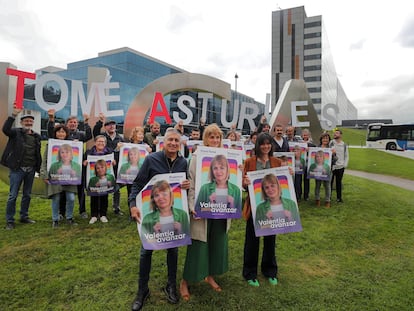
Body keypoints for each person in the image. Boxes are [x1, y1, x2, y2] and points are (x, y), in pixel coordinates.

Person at [129, 128, 190, 310]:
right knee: (146, 251)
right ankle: (142, 290)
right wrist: (133, 204)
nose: (173, 143)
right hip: (153, 214)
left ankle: (171, 285)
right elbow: (138, 184)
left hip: (173, 215)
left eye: (176, 141)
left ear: (180, 144)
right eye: (170, 140)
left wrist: (186, 184)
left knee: (173, 250)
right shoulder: (151, 159)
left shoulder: (183, 162)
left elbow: (183, 187)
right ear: (163, 141)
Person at [180, 124, 232, 302]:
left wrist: (240, 174)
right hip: (202, 208)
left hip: (221, 209)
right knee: (198, 245)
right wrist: (192, 205)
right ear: (205, 139)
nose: (215, 140)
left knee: (216, 242)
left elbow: (232, 181)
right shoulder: (197, 156)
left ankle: (209, 275)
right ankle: (185, 281)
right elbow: (192, 183)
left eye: (218, 137)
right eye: (212, 137)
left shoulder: (227, 157)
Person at [241, 132, 281, 287]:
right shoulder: (249, 162)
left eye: (268, 143)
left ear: (271, 145)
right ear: (257, 145)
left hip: (272, 208)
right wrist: (244, 183)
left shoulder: (276, 162)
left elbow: (281, 182)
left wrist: (288, 174)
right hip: (254, 207)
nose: (265, 146)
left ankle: (270, 270)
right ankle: (250, 273)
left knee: (270, 240)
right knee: (252, 241)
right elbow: (244, 185)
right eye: (262, 144)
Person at [1, 106, 41, 230]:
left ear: (33, 123)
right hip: (17, 169)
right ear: (21, 122)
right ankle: (10, 220)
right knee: (13, 195)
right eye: (26, 121)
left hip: (30, 170)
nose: (28, 123)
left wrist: (38, 168)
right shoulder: (15, 133)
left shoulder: (36, 136)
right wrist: (13, 115)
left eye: (30, 121)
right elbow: (5, 129)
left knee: (27, 194)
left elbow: (37, 153)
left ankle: (24, 216)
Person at [47, 109, 92, 219]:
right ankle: (62, 212)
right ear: (67, 124)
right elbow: (51, 133)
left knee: (81, 190)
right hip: (63, 167)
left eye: (75, 122)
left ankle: (82, 211)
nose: (73, 124)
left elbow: (89, 135)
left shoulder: (81, 135)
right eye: (71, 122)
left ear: (77, 124)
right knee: (63, 189)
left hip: (78, 167)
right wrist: (51, 119)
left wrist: (86, 122)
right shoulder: (63, 134)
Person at [40, 124, 78, 227]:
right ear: (55, 133)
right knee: (56, 198)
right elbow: (45, 161)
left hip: (69, 178)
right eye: (59, 131)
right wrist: (44, 174)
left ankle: (69, 217)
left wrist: (75, 144)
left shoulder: (72, 144)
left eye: (63, 132)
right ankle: (55, 219)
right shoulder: (50, 145)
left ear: (66, 133)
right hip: (55, 177)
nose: (61, 134)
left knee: (71, 198)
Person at [93, 113, 125, 215]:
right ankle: (100, 209)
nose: (111, 126)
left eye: (113, 124)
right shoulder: (103, 137)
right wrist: (100, 122)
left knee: (117, 188)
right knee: (103, 186)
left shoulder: (120, 138)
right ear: (105, 127)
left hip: (116, 166)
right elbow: (95, 132)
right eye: (109, 124)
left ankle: (116, 208)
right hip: (104, 166)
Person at [84, 135, 115, 224]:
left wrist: (113, 162)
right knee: (94, 196)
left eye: (103, 142)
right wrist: (85, 162)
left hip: (105, 180)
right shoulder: (89, 152)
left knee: (104, 196)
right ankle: (94, 215)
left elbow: (114, 163)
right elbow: (83, 162)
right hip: (94, 180)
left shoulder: (109, 152)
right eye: (99, 141)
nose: (101, 143)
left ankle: (103, 215)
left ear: (105, 143)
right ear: (95, 142)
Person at [329, 129, 349, 203]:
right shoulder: (331, 143)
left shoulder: (344, 144)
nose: (335, 134)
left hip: (340, 167)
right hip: (332, 166)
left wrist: (344, 165)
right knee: (330, 182)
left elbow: (346, 155)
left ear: (340, 135)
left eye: (337, 133)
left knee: (338, 182)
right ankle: (329, 197)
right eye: (334, 133)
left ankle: (339, 198)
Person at [313, 132, 332, 208]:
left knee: (327, 186)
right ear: (321, 139)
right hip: (318, 170)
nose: (325, 139)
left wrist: (334, 154)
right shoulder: (317, 148)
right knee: (317, 185)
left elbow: (335, 159)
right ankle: (317, 199)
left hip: (327, 170)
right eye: (324, 138)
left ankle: (327, 201)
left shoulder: (331, 148)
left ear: (329, 140)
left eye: (327, 138)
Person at [301, 129, 315, 201]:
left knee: (306, 180)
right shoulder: (299, 143)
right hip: (300, 164)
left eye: (306, 135)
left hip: (308, 164)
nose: (305, 136)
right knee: (299, 180)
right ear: (302, 135)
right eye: (304, 135)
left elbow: (315, 152)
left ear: (309, 135)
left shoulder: (312, 144)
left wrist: (310, 150)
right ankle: (299, 194)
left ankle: (306, 196)